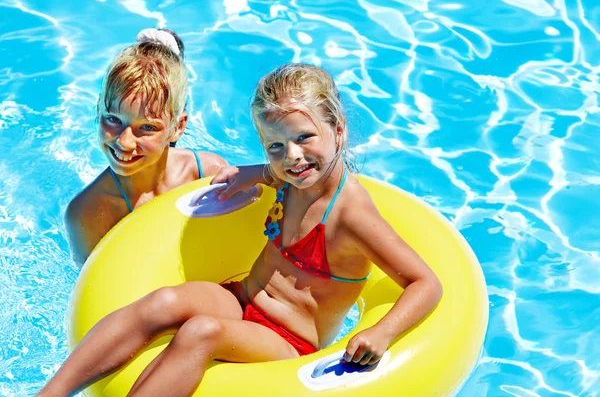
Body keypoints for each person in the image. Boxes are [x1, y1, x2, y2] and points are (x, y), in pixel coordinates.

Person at [39, 63, 442, 397]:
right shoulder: (288, 177)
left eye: (305, 138)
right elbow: (278, 171)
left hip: (289, 342)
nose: (293, 156)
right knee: (163, 302)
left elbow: (425, 283)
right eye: (275, 147)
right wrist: (256, 172)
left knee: (201, 332)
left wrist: (382, 332)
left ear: (338, 129)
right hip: (242, 299)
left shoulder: (351, 213)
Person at [65, 28, 226, 266]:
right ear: (98, 108)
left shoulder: (209, 173)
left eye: (148, 128)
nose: (124, 142)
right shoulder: (88, 213)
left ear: (178, 127)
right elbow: (91, 292)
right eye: (113, 119)